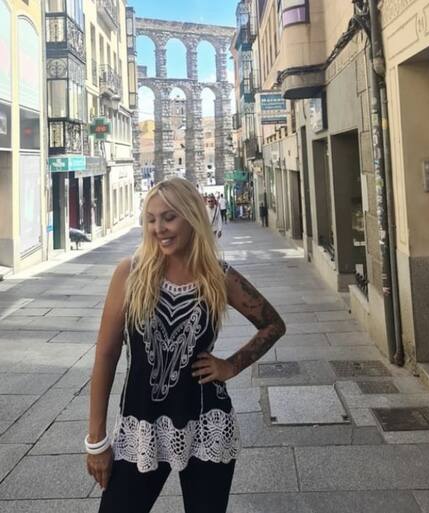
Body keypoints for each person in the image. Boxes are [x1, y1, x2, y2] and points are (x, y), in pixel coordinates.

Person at [86, 178, 286, 513]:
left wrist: (230, 366)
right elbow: (106, 355)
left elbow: (273, 325)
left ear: (192, 217)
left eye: (169, 217)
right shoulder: (130, 274)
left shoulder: (218, 276)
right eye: (151, 219)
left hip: (207, 424)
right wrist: (96, 440)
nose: (158, 228)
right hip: (142, 428)